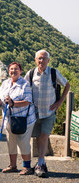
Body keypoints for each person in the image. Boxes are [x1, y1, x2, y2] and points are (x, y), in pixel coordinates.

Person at [25, 49, 70, 178]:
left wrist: (59, 102)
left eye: (44, 58)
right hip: (34, 112)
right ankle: (41, 163)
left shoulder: (54, 73)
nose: (41, 61)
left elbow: (67, 85)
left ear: (48, 60)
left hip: (49, 112)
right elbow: (24, 87)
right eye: (39, 58)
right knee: (38, 137)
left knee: (44, 136)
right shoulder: (31, 73)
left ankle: (40, 162)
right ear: (35, 60)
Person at [0, 62, 36, 175]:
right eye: (11, 69)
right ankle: (12, 166)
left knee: (23, 142)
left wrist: (13, 103)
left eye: (16, 69)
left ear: (20, 71)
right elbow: (0, 97)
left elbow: (28, 101)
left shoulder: (25, 84)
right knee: (11, 142)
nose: (13, 71)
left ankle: (27, 167)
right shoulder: (5, 83)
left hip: (24, 119)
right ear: (9, 71)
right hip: (9, 118)